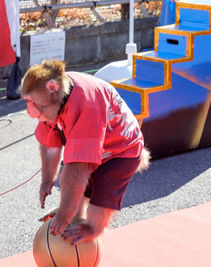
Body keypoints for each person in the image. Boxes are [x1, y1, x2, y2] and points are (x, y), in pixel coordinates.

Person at [20, 59, 150, 246]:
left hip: (121, 150)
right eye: (27, 102)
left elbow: (76, 171)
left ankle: (93, 228)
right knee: (75, 183)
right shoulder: (53, 102)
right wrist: (47, 180)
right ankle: (73, 212)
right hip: (98, 144)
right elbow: (50, 147)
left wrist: (64, 215)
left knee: (99, 191)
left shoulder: (85, 102)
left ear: (52, 89)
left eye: (34, 104)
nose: (30, 111)